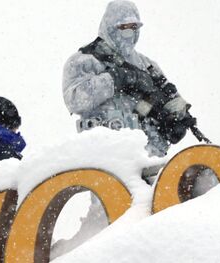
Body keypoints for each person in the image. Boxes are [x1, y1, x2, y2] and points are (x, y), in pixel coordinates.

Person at [63, 0, 206, 157]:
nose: (130, 34)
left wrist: (177, 118)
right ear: (110, 28)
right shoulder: (86, 60)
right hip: (104, 155)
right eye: (124, 28)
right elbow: (75, 100)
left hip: (149, 158)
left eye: (134, 28)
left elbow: (172, 100)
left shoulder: (148, 66)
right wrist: (114, 78)